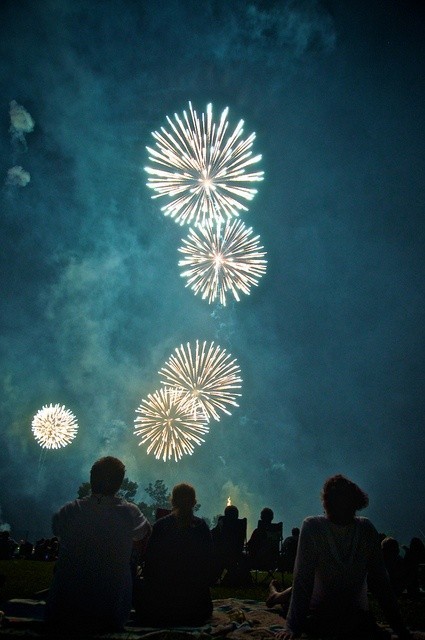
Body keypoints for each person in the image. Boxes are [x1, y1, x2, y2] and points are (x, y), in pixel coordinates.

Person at [267, 474, 411, 640]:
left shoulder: (365, 529)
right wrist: (292, 626)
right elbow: (303, 581)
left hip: (352, 617)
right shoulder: (314, 527)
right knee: (302, 590)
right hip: (318, 612)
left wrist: (399, 628)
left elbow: (381, 582)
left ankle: (275, 595)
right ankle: (275, 595)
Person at [45, 456, 151, 631]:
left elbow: (56, 528)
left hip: (63, 612)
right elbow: (146, 533)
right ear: (119, 483)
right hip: (110, 615)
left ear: (91, 478)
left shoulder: (70, 510)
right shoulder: (130, 512)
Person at [135, 483, 213, 626]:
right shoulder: (201, 528)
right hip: (196, 608)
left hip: (161, 606)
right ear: (194, 502)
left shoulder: (160, 526)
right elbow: (209, 563)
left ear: (172, 501)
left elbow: (149, 563)